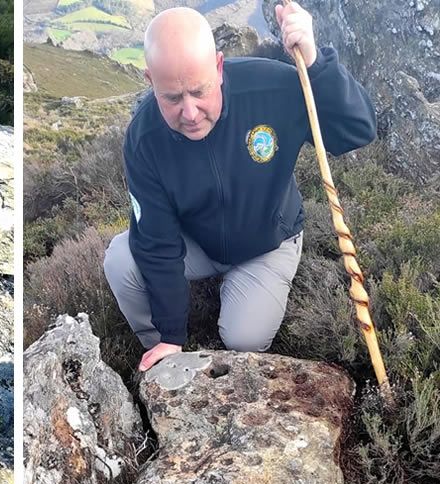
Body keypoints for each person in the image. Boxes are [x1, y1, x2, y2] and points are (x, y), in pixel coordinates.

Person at [103, 2, 375, 372]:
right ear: (151, 82)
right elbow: (155, 241)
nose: (189, 112)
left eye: (199, 92)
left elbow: (356, 131)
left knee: (243, 339)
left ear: (218, 66)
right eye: (171, 98)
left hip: (268, 242)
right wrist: (170, 336)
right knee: (121, 259)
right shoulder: (144, 138)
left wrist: (315, 63)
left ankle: (241, 289)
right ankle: (163, 359)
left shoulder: (270, 88)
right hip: (198, 241)